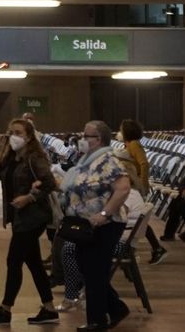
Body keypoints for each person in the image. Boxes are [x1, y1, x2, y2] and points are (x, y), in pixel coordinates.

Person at [0, 117, 60, 326]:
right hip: (19, 217)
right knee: (34, 263)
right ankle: (49, 308)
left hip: (34, 216)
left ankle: (5, 310)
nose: (13, 136)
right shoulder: (12, 157)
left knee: (14, 260)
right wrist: (0, 150)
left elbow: (50, 183)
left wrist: (29, 198)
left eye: (17, 133)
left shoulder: (35, 157)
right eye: (10, 132)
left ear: (28, 137)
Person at [61, 120, 131, 331]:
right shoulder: (87, 160)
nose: (82, 139)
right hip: (85, 225)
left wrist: (104, 213)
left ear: (98, 139)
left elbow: (123, 188)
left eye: (86, 136)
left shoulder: (107, 160)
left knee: (94, 272)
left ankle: (96, 321)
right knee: (87, 268)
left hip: (105, 225)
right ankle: (117, 308)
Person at [116, 119, 167, 264]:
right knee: (137, 217)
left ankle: (155, 248)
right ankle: (154, 247)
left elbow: (144, 164)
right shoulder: (128, 144)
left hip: (135, 185)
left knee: (138, 218)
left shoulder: (134, 144)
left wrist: (141, 182)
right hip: (130, 183)